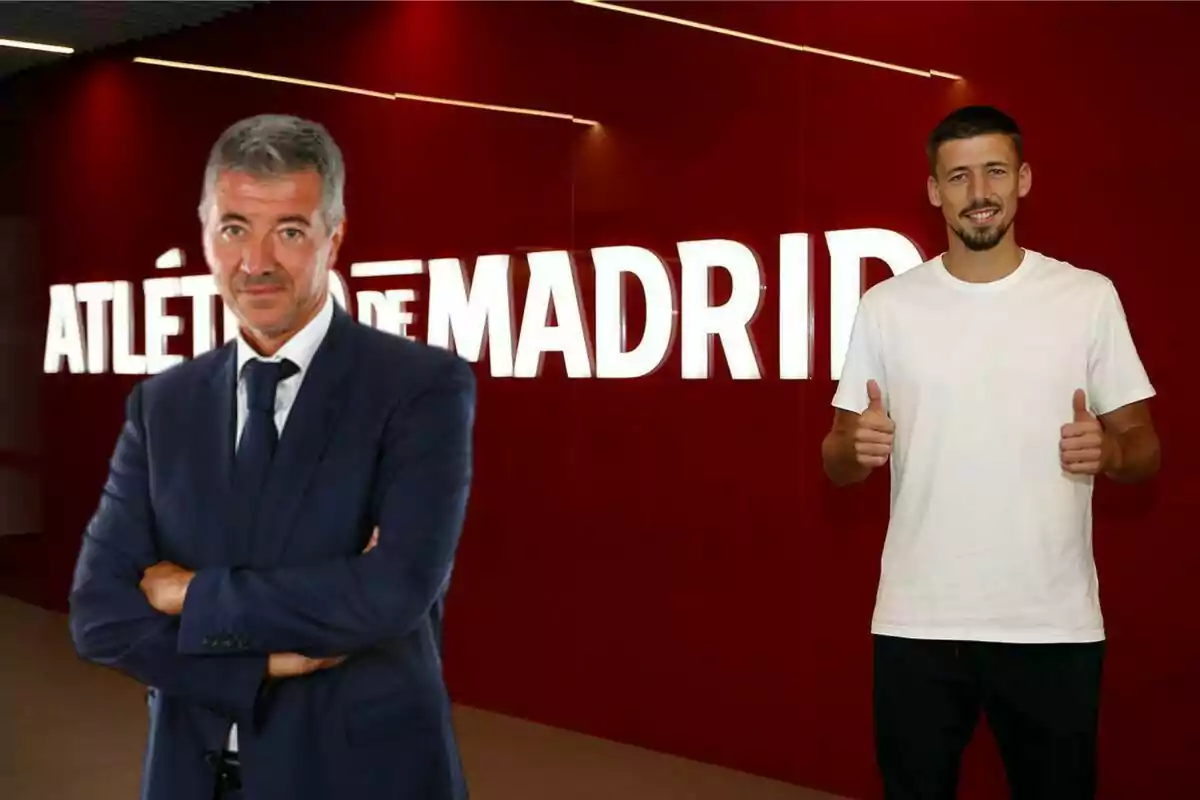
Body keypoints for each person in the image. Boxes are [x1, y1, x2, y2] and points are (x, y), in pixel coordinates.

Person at [68, 114, 476, 800]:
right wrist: (261, 665)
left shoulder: (419, 388)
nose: (256, 261)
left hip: (361, 779)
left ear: (334, 238)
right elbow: (99, 615)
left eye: (289, 231)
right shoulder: (161, 405)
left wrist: (187, 592)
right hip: (192, 776)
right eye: (234, 229)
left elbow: (391, 594)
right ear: (205, 236)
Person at [821, 105, 1160, 799]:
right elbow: (835, 457)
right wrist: (855, 447)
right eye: (959, 175)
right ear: (933, 190)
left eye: (995, 171)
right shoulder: (887, 306)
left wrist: (1111, 452)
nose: (979, 190)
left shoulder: (1087, 297)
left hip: (1051, 624)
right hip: (917, 621)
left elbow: (1145, 446)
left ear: (1024, 179)